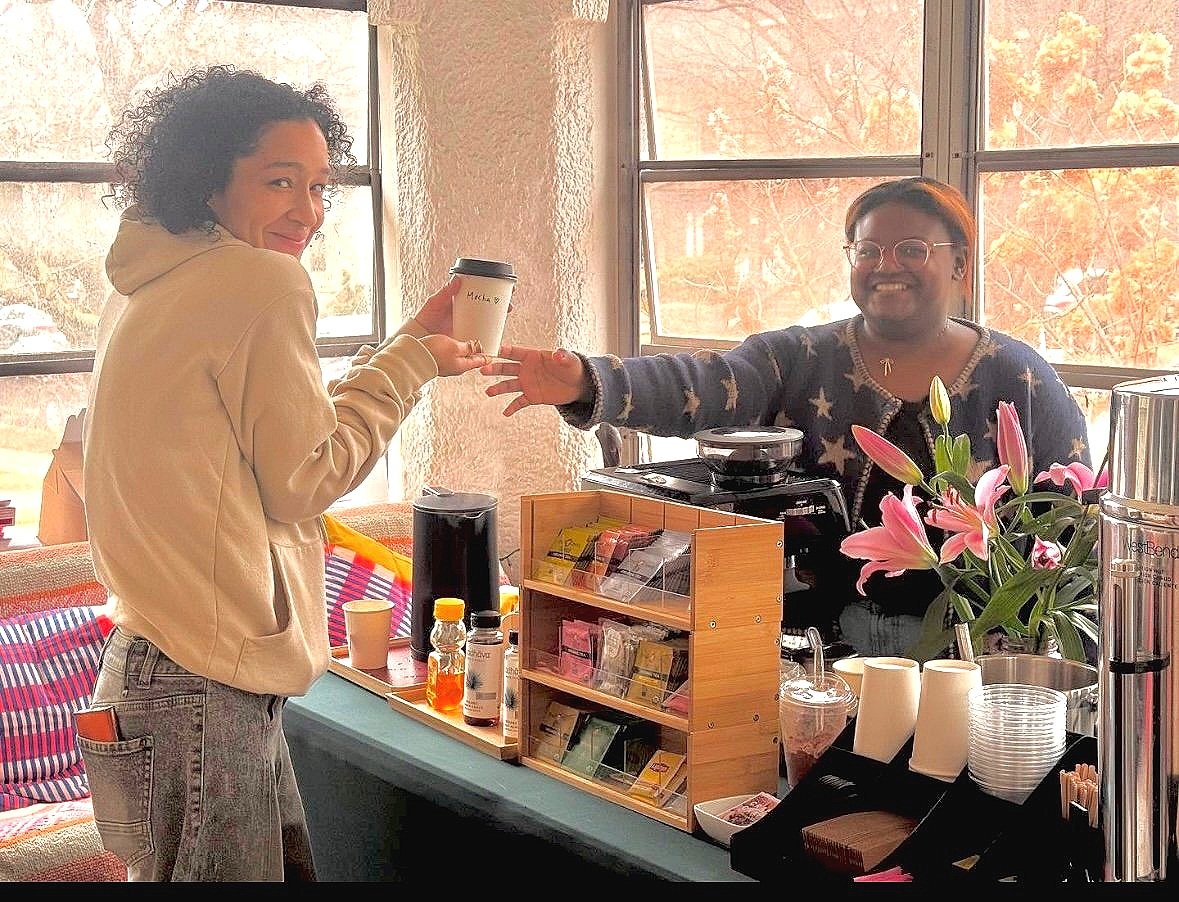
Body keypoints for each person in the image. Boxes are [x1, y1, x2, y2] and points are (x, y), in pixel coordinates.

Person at [79, 65, 487, 881]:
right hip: (205, 682)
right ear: (207, 182)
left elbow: (266, 443)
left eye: (318, 186)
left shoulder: (146, 286)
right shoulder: (259, 282)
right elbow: (304, 478)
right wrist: (409, 367)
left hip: (148, 670)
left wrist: (397, 347)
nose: (305, 211)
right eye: (277, 182)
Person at [482, 176, 1091, 656]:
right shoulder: (801, 357)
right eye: (868, 248)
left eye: (913, 249)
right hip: (814, 641)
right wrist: (590, 381)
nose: (886, 265)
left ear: (959, 265)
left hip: (969, 646)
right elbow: (705, 383)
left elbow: (1074, 516)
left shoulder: (1016, 373)